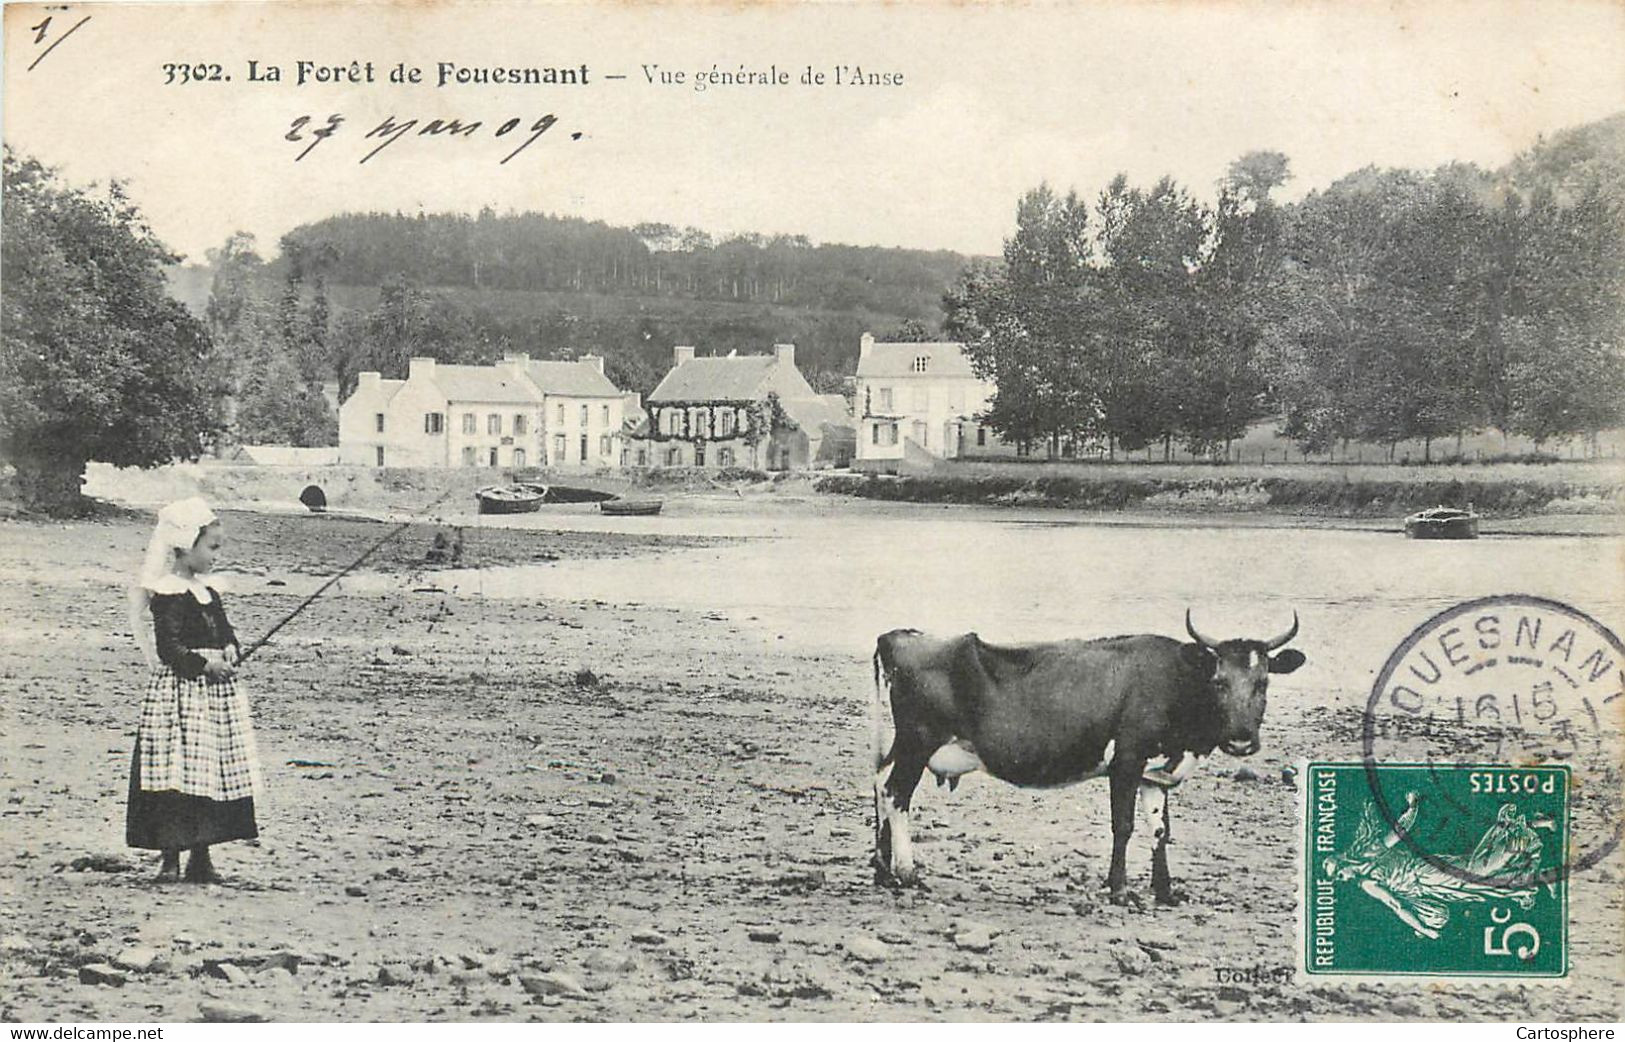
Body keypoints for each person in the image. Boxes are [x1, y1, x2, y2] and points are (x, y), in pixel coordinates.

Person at [125, 498, 262, 883]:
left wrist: (231, 649)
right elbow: (169, 648)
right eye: (213, 547)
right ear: (185, 546)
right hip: (180, 699)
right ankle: (170, 858)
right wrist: (205, 664)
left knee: (210, 773)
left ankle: (201, 857)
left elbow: (224, 630)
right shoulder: (168, 593)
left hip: (214, 701)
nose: (217, 555)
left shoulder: (209, 592)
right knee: (174, 771)